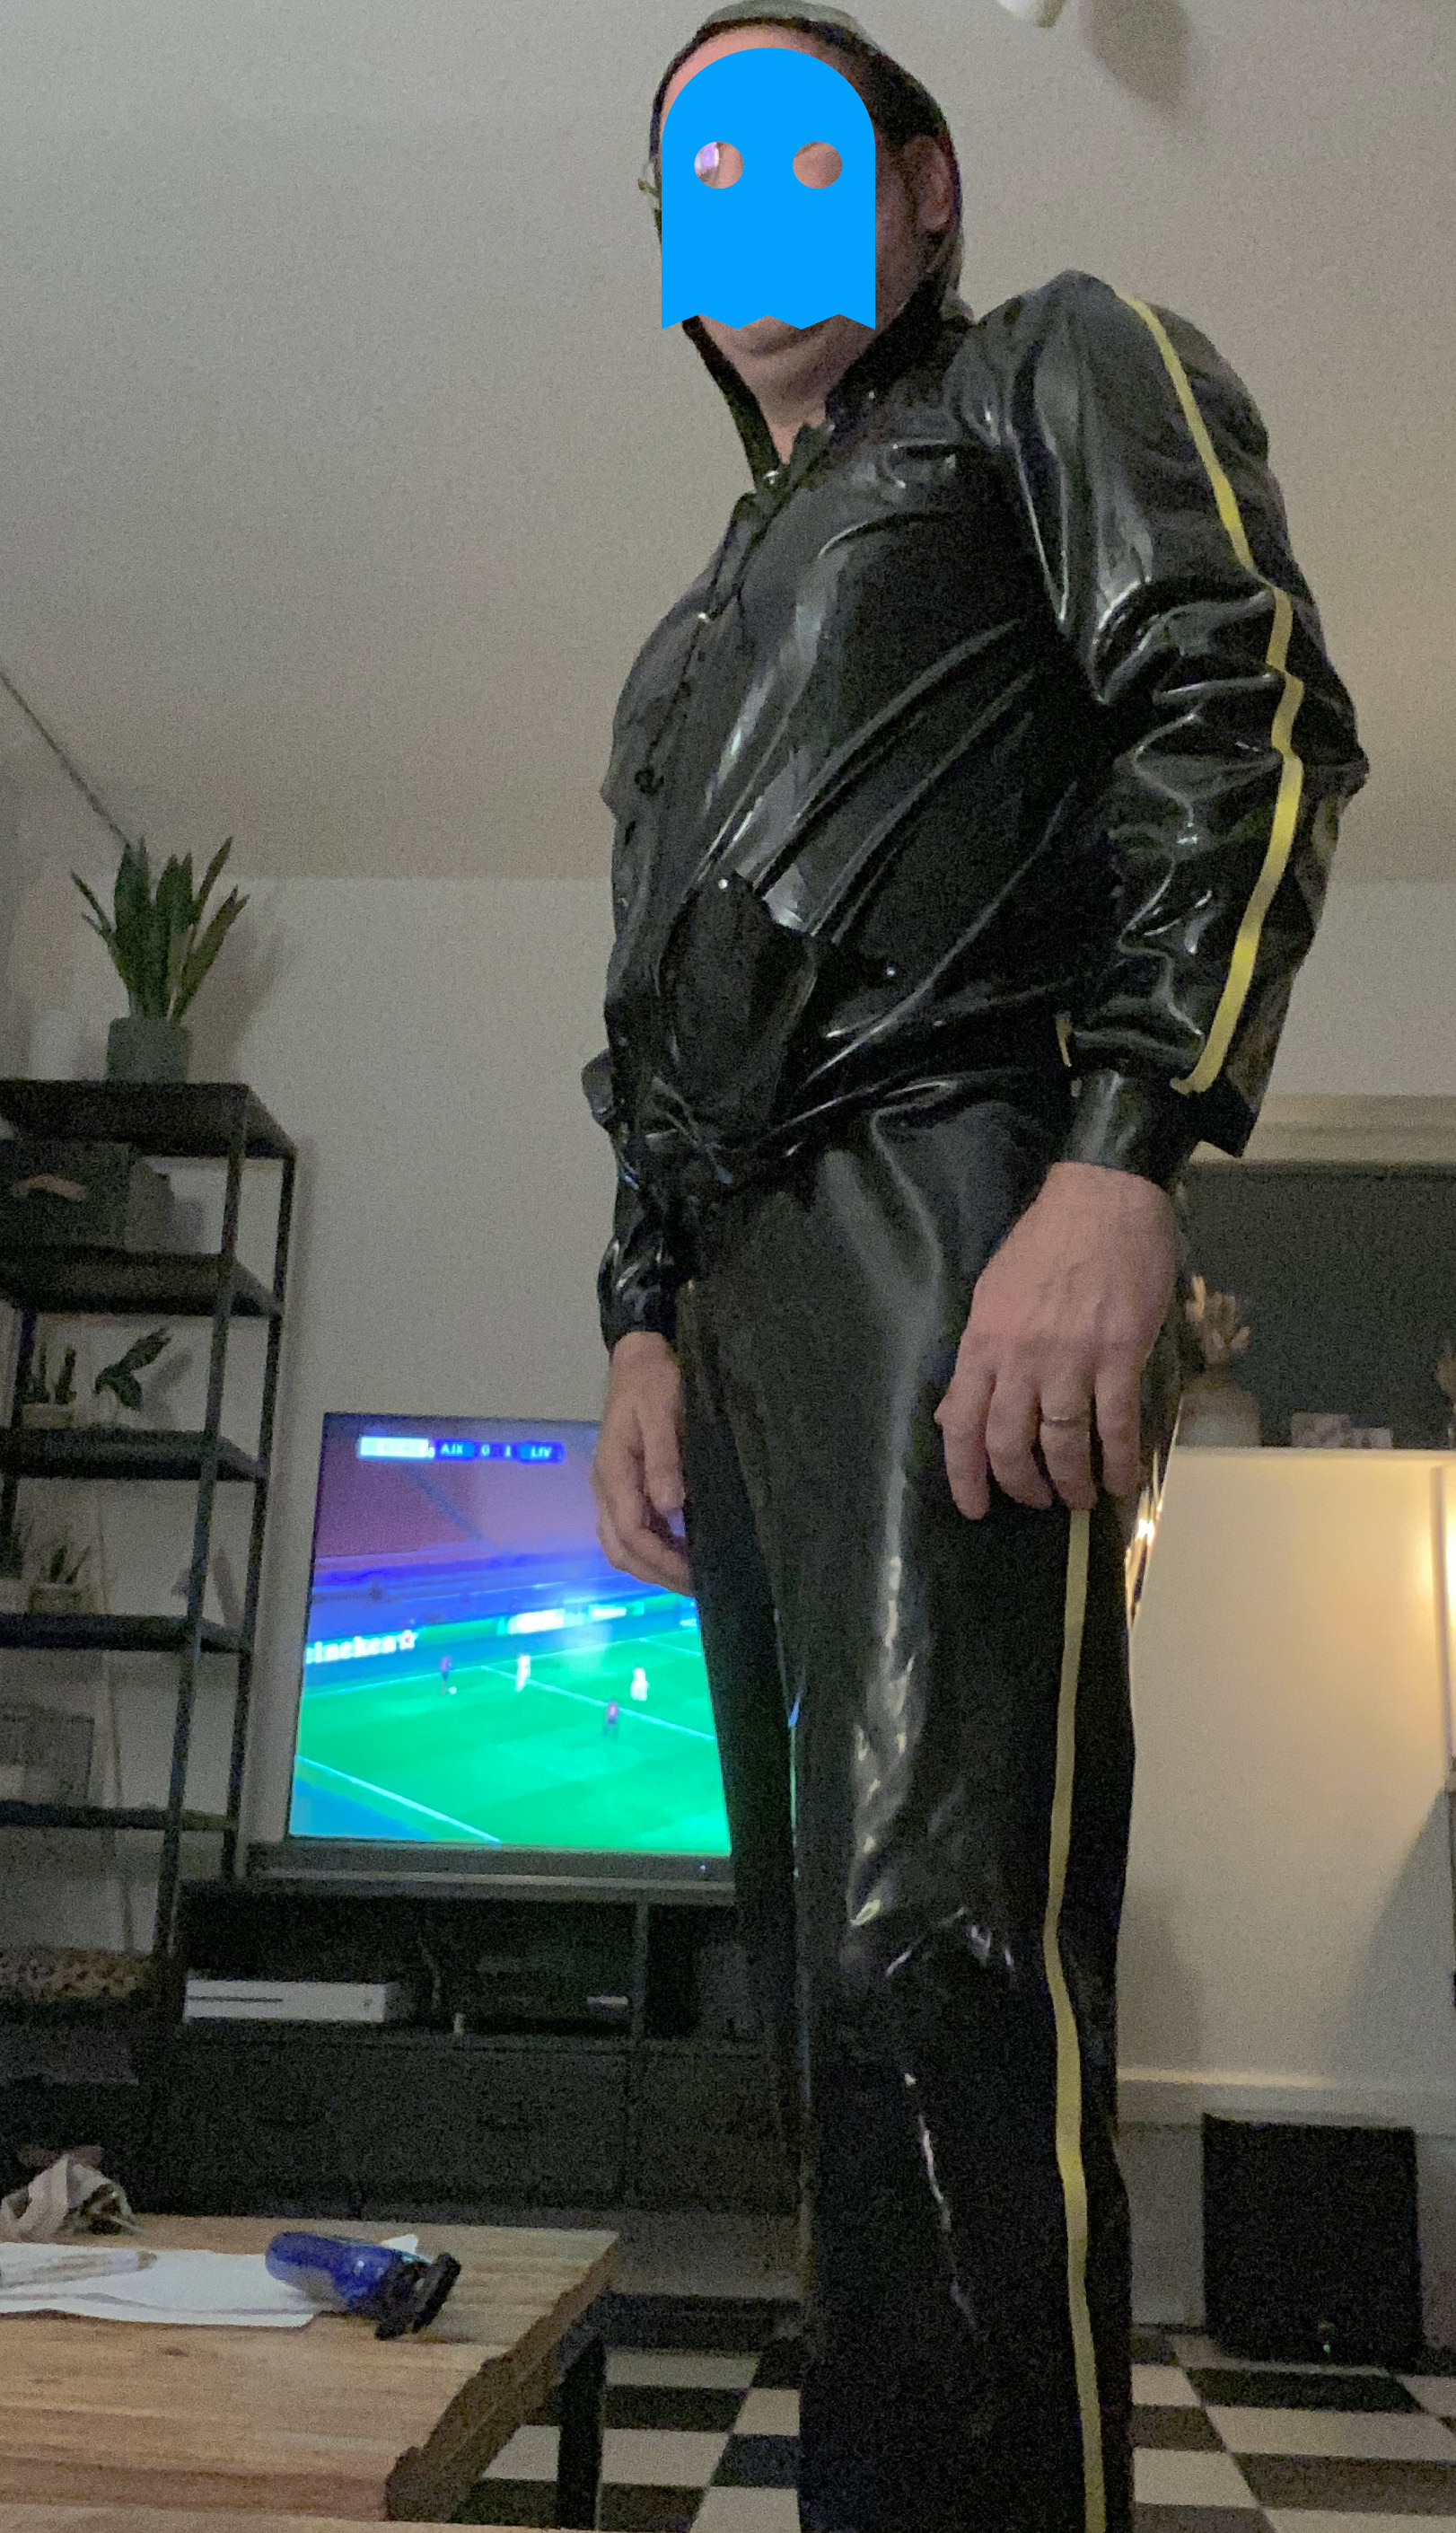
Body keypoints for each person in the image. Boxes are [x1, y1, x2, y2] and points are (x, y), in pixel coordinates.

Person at [585, 10, 1369, 2529]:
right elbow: (648, 1013)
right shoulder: (687, 638)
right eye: (701, 180)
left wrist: (1123, 1159)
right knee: (832, 1983)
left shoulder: (1052, 364)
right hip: (738, 1281)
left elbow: (1242, 702)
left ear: (919, 189)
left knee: (941, 1956)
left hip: (959, 1195)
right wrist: (639, 1312)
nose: (750, 212)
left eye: (799, 152)